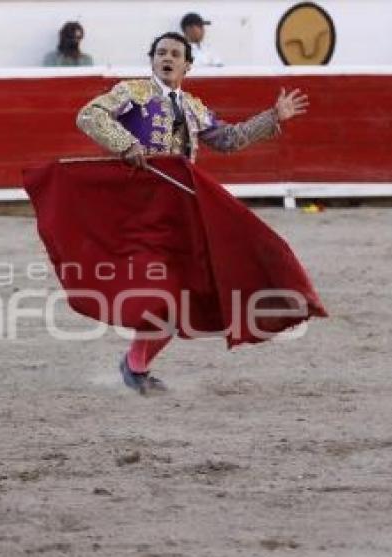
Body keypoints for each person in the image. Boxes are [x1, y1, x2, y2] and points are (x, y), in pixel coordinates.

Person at [75, 31, 309, 393]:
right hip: (141, 208)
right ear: (152, 59)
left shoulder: (194, 107)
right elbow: (89, 115)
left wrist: (272, 117)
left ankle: (135, 364)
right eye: (161, 53)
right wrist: (127, 144)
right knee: (165, 289)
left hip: (182, 209)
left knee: (184, 292)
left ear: (187, 64)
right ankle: (135, 364)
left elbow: (230, 139)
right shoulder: (133, 93)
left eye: (175, 54)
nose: (167, 58)